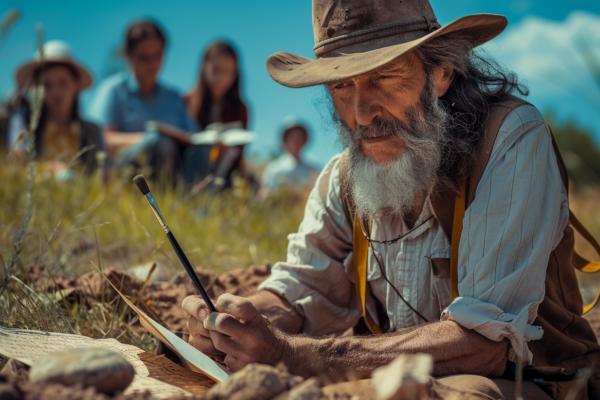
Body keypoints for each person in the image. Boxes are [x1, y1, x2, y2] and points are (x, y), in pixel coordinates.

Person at [182, 1, 600, 399]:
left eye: (383, 76)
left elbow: (483, 345)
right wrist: (233, 322)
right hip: (391, 379)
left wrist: (300, 356)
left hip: (536, 382)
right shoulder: (344, 177)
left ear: (441, 72)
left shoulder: (509, 141)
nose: (362, 113)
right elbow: (300, 291)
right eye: (342, 86)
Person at [89, 20, 197, 180]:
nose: (152, 64)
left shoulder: (174, 97)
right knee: (159, 142)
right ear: (128, 55)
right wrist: (147, 139)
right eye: (144, 57)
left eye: (157, 56)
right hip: (128, 169)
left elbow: (193, 136)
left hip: (176, 171)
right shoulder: (113, 90)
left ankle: (197, 199)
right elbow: (101, 137)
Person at [12, 40, 105, 173]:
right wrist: (49, 170)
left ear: (76, 84)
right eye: (47, 85)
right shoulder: (24, 127)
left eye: (63, 83)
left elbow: (103, 175)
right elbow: (16, 167)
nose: (56, 92)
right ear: (36, 89)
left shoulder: (93, 132)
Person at [185, 41, 249, 188]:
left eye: (228, 72)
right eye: (216, 70)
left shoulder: (240, 109)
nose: (221, 78)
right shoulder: (186, 102)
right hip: (188, 173)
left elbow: (240, 157)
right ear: (204, 67)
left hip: (225, 175)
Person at [260, 117, 319, 195]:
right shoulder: (273, 169)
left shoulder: (314, 171)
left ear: (305, 140)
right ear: (284, 140)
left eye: (299, 137)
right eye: (292, 136)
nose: (295, 140)